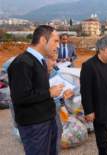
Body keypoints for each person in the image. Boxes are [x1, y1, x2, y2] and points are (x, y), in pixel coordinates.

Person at [8, 25, 64, 155]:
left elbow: (37, 90)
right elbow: (21, 97)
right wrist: (49, 92)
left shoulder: (39, 61)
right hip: (34, 126)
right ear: (43, 40)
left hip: (47, 120)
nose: (58, 46)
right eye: (56, 41)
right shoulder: (22, 63)